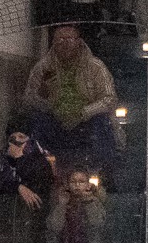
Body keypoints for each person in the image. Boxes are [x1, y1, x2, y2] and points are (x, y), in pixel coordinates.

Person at [22, 25, 119, 166]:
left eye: (70, 39)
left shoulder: (95, 67)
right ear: (53, 42)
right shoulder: (42, 68)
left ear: (79, 42)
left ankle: (101, 170)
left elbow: (109, 99)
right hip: (55, 121)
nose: (65, 44)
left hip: (87, 122)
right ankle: (42, 169)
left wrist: (83, 113)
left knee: (102, 122)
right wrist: (46, 101)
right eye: (60, 39)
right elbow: (29, 98)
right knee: (37, 121)